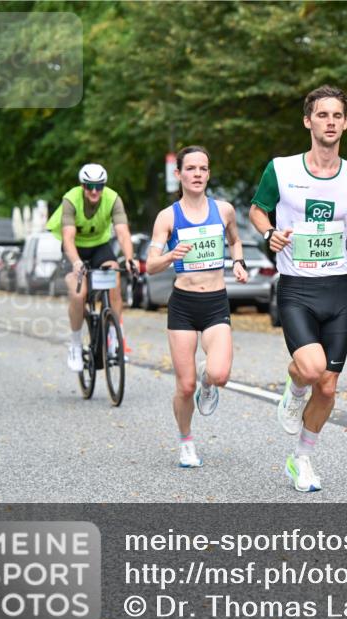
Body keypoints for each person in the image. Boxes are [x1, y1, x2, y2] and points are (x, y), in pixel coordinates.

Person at [249, 85, 347, 492]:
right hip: (296, 286)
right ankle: (293, 389)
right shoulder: (281, 170)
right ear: (308, 121)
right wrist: (270, 233)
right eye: (322, 115)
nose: (330, 122)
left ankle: (302, 459)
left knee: (327, 385)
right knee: (310, 370)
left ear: (346, 123)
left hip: (337, 288)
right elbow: (257, 210)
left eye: (337, 115)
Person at [146, 146, 248, 468]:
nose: (197, 174)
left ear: (208, 173)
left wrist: (239, 262)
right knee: (184, 385)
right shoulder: (168, 216)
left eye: (203, 168)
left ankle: (208, 381)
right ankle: (186, 441)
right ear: (179, 174)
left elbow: (235, 241)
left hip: (216, 301)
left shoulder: (224, 210)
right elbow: (150, 265)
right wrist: (170, 256)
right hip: (184, 305)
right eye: (190, 168)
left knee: (219, 374)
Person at [45, 164, 136, 372]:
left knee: (114, 276)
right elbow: (68, 238)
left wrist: (130, 258)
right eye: (89, 186)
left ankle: (114, 339)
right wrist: (76, 262)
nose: (94, 191)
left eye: (99, 186)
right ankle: (75, 345)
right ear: (82, 186)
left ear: (104, 186)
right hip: (74, 249)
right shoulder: (71, 200)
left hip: (99, 247)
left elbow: (123, 233)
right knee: (79, 293)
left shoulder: (113, 199)